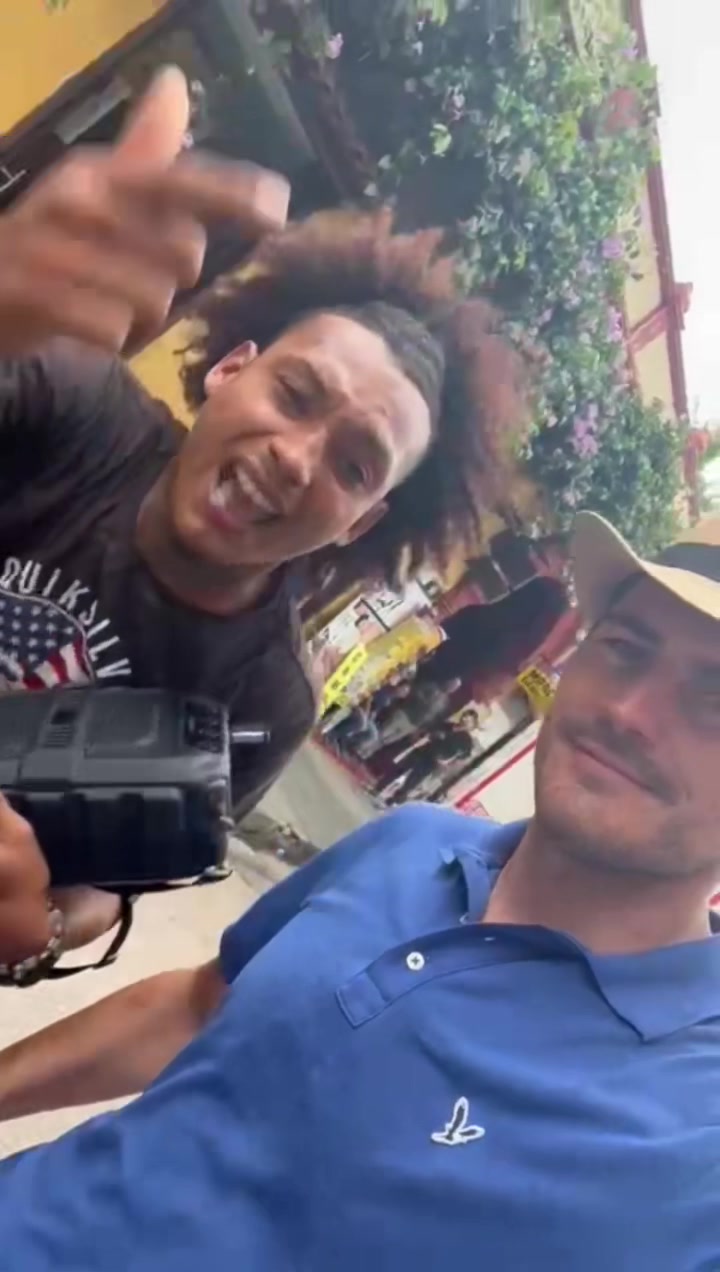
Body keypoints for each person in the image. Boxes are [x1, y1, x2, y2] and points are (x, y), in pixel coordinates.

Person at [4, 510, 718, 1269]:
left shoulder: (697, 1138)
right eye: (624, 648)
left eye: (714, 698)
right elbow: (198, 1008)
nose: (628, 713)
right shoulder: (409, 841)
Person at [0, 69, 527, 969]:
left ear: (361, 522)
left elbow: (109, 886)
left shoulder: (258, 700)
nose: (295, 456)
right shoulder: (72, 401)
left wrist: (39, 925)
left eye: (352, 464)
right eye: (294, 393)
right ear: (228, 370)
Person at [380, 709, 478, 802]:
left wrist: (447, 763)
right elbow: (431, 731)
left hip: (433, 760)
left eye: (468, 720)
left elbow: (462, 757)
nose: (464, 719)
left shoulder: (466, 741)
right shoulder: (448, 725)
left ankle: (395, 799)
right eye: (464, 716)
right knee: (401, 768)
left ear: (472, 724)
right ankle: (380, 787)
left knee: (414, 779)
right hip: (423, 749)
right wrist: (423, 738)